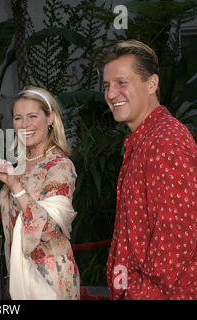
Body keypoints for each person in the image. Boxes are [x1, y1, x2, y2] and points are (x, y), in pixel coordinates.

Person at [97, 40, 197, 300]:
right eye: (107, 85)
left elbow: (175, 240)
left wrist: (139, 295)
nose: (110, 93)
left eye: (122, 82)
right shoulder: (146, 139)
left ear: (152, 84)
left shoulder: (166, 142)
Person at [0, 86, 80, 300]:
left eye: (32, 116)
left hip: (50, 282)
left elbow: (47, 228)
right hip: (20, 277)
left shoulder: (60, 166)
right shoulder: (19, 165)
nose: (24, 125)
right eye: (18, 118)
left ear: (50, 118)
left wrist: (15, 186)